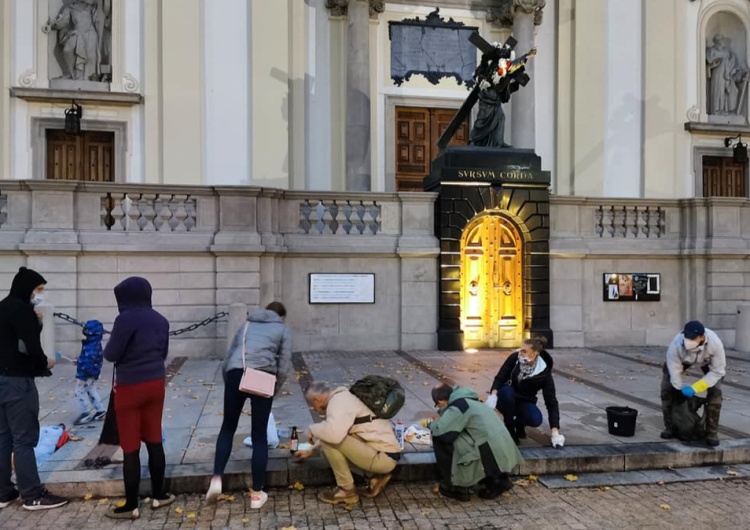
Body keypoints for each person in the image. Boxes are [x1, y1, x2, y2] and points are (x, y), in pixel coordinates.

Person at [206, 302, 292, 510]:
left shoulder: (247, 324)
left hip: (236, 372)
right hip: (263, 375)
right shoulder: (282, 329)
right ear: (281, 315)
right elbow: (284, 365)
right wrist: (274, 387)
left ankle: (217, 479)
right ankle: (257, 493)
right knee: (259, 435)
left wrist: (231, 384)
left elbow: (228, 358)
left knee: (227, 427)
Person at [103, 277, 172, 519]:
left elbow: (111, 354)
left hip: (130, 386)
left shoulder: (125, 319)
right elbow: (163, 352)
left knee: (130, 446)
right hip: (156, 384)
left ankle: (131, 505)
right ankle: (159, 495)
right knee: (154, 439)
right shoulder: (161, 320)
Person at [0, 267, 68, 511]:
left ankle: (4, 492)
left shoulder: (3, 305)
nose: (39, 294)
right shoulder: (23, 310)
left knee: (3, 437)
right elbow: (32, 348)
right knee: (24, 440)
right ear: (28, 288)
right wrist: (46, 362)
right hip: (18, 382)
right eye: (38, 289)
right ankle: (32, 494)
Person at [294, 381, 400, 505]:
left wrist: (313, 429)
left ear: (316, 400)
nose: (315, 410)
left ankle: (346, 491)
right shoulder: (343, 398)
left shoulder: (338, 404)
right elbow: (336, 434)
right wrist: (310, 450)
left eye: (312, 405)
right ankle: (374, 478)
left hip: (382, 457)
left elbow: (333, 437)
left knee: (329, 443)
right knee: (326, 446)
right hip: (385, 454)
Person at [429, 383, 523, 501]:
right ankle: (498, 480)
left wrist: (430, 424)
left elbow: (442, 432)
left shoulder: (458, 406)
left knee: (440, 438)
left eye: (437, 404)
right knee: (465, 436)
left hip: (491, 453)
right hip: (505, 449)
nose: (438, 408)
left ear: (441, 400)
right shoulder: (471, 400)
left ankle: (456, 487)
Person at [487, 337, 564, 447]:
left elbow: (551, 402)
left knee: (535, 419)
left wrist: (555, 432)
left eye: (524, 351)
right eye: (520, 349)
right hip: (506, 397)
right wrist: (493, 394)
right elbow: (500, 377)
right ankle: (509, 428)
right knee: (508, 392)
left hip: (525, 400)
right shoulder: (515, 359)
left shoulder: (543, 372)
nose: (520, 353)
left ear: (535, 353)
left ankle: (519, 424)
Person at [661, 320, 725, 447]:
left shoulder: (715, 343)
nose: (688, 340)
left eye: (692, 338)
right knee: (667, 389)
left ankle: (712, 432)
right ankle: (670, 426)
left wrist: (695, 388)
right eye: (687, 337)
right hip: (684, 360)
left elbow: (718, 371)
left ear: (702, 337)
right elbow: (674, 370)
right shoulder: (676, 344)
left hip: (708, 362)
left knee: (716, 392)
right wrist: (677, 388)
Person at [73, 319, 106, 426]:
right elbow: (87, 359)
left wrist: (83, 377)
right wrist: (78, 361)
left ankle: (85, 412)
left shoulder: (91, 345)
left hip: (87, 374)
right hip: (93, 373)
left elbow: (88, 362)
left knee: (79, 392)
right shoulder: (93, 344)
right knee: (92, 391)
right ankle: (100, 410)